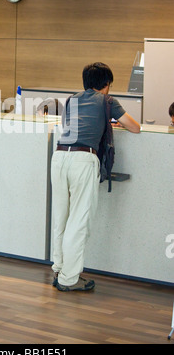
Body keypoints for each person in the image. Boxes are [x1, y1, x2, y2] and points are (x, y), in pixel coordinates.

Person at [51, 62, 140, 292]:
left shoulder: (71, 100)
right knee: (79, 222)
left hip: (59, 157)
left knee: (61, 217)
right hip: (83, 160)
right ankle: (69, 279)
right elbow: (135, 127)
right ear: (106, 84)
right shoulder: (108, 101)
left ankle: (59, 268)